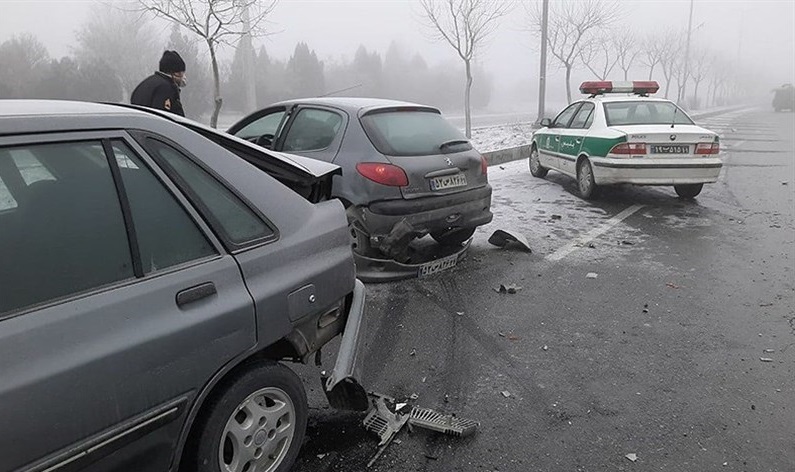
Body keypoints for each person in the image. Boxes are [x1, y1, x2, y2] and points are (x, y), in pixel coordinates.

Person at [131, 51, 187, 116]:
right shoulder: (166, 88)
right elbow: (163, 116)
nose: (183, 77)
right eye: (180, 73)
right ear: (173, 73)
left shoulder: (146, 83)